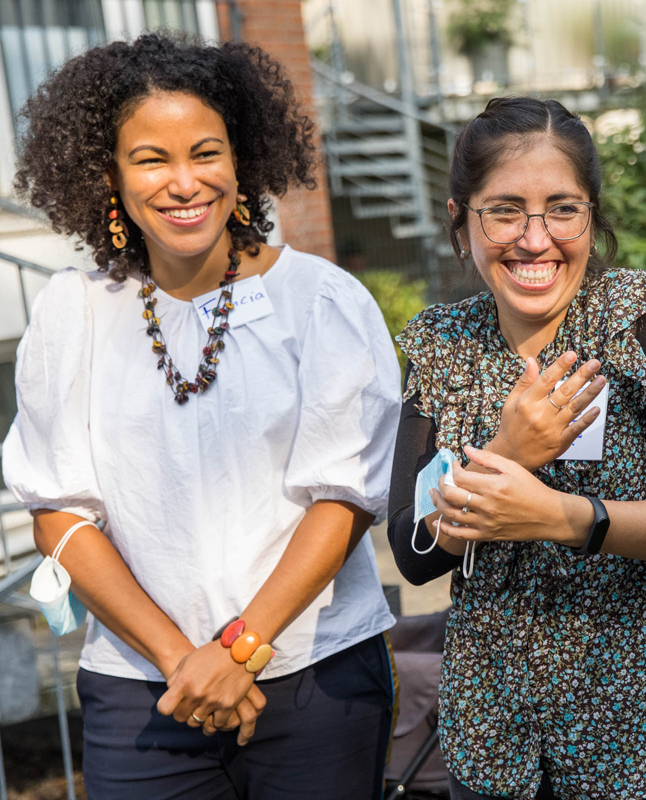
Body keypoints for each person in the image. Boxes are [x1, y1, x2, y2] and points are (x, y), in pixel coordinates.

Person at [2, 34, 401, 799]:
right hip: (142, 689)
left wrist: (239, 650)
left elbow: (344, 496)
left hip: (315, 676)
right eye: (151, 158)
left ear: (243, 159)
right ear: (108, 174)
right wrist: (187, 662)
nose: (184, 182)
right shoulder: (71, 312)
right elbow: (58, 511)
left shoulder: (321, 302)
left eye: (206, 153)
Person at [388, 97, 646, 800]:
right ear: (462, 221)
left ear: (591, 216)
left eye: (562, 208)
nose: (534, 238)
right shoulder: (439, 344)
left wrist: (564, 516)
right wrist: (508, 452)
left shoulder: (644, 320)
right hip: (496, 741)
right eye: (504, 210)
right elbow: (412, 551)